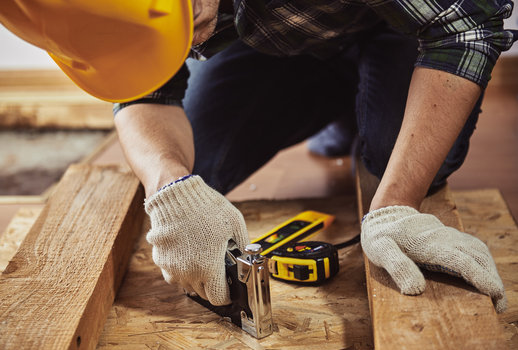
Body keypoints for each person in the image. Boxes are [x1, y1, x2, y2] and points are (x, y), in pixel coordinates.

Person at [1, 0, 516, 312]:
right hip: (278, 41)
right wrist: (170, 185)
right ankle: (344, 104)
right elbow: (144, 90)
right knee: (197, 171)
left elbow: (463, 28)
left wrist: (397, 204)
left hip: (404, 30)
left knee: (394, 157)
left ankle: (367, 107)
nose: (193, 40)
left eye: (190, 25)